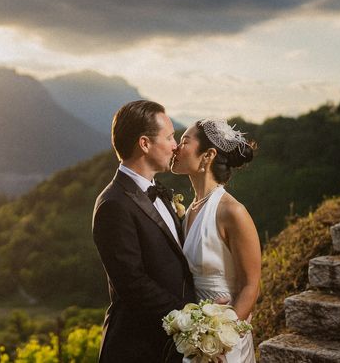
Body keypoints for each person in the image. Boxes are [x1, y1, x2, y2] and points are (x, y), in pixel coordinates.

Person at [92, 100, 197, 363]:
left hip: (170, 344)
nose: (176, 145)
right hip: (137, 348)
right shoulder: (113, 203)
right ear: (145, 144)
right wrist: (194, 317)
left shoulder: (159, 190)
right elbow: (133, 284)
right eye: (170, 137)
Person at [170, 119, 261, 363]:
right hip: (193, 334)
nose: (175, 148)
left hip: (223, 342)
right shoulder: (189, 211)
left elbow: (251, 286)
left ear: (208, 155)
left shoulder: (232, 212)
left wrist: (221, 337)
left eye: (184, 142)